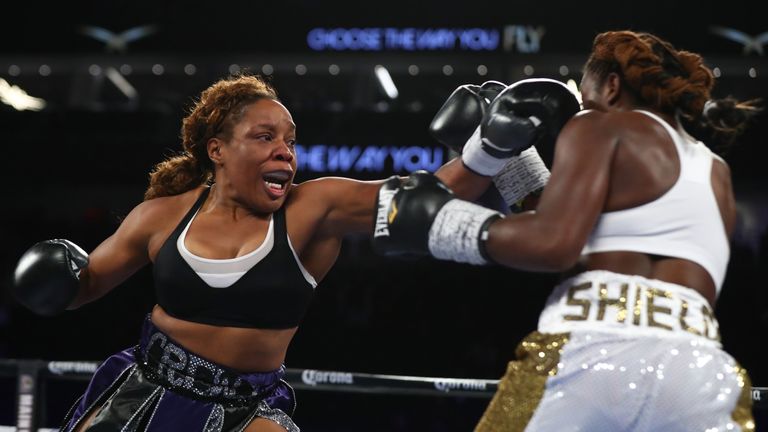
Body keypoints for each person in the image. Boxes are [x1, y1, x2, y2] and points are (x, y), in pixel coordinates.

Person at [10, 73, 564, 431]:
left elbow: (422, 203)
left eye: (291, 140)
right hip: (144, 390)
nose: (285, 151)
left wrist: (488, 152)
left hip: (248, 411)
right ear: (218, 150)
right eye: (265, 137)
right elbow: (85, 286)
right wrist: (60, 277)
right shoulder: (161, 216)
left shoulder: (312, 209)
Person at [373, 30, 760, 431]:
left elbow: (554, 243)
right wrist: (515, 164)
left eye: (586, 101)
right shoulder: (716, 172)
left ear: (611, 87)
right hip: (699, 371)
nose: (582, 114)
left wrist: (439, 222)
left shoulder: (600, 126)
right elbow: (594, 236)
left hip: (591, 353)